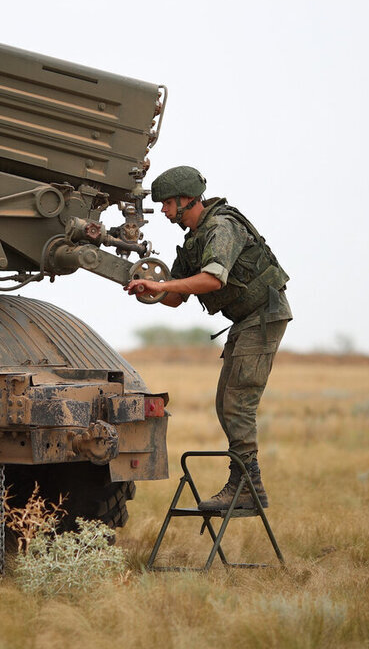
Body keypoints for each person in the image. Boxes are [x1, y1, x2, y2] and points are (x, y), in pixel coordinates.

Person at [124, 166, 290, 510]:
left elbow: (213, 280)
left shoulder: (221, 227)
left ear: (187, 199)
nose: (164, 210)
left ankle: (247, 487)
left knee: (237, 404)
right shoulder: (193, 241)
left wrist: (161, 284)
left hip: (262, 318)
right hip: (245, 321)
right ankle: (245, 483)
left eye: (168, 203)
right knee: (225, 404)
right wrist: (146, 288)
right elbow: (174, 297)